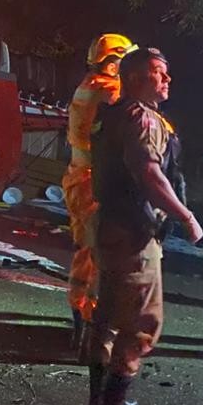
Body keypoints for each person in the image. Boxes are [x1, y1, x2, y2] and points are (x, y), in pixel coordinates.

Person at [89, 48, 203, 405]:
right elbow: (148, 172)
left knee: (107, 316)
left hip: (111, 227)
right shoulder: (143, 118)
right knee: (141, 326)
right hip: (134, 233)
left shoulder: (115, 113)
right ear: (137, 78)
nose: (167, 80)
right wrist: (186, 216)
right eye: (159, 73)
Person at [62, 34, 138, 353]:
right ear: (112, 62)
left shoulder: (87, 85)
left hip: (79, 176)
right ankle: (92, 328)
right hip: (95, 180)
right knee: (98, 255)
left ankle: (81, 318)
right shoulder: (109, 89)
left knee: (85, 250)